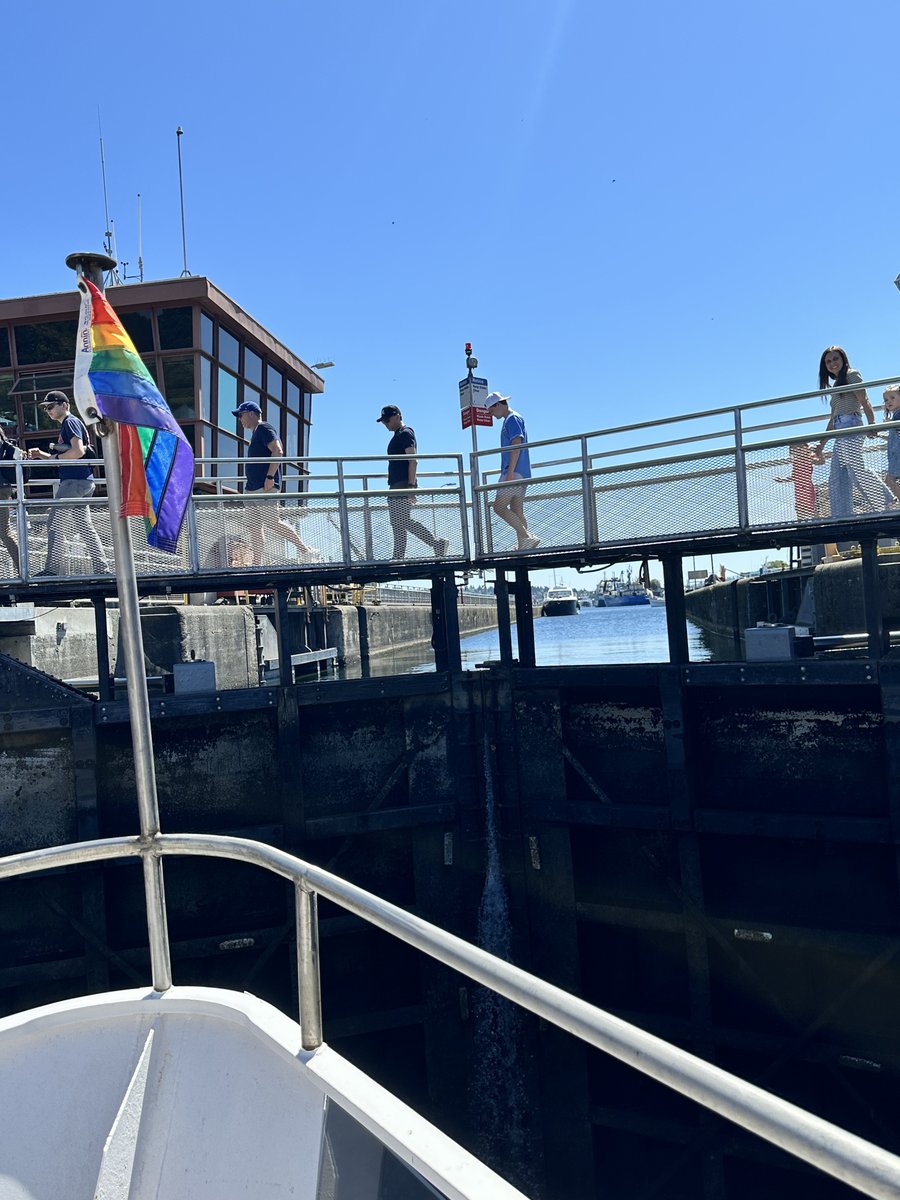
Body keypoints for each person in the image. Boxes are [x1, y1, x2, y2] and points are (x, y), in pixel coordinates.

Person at [28, 391, 109, 576]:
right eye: (45, 408)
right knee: (85, 527)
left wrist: (56, 457)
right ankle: (102, 568)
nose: (48, 410)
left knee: (54, 523)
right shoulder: (71, 422)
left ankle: (52, 570)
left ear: (64, 405)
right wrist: (41, 455)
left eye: (51, 406)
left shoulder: (70, 422)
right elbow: (69, 455)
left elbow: (78, 452)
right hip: (83, 481)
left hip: (73, 482)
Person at [233, 399, 317, 565]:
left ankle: (305, 551)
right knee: (255, 527)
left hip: (264, 487)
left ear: (251, 414)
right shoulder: (256, 433)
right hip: (251, 488)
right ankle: (256, 564)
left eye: (241, 415)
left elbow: (278, 451)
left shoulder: (264, 428)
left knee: (272, 522)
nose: (240, 419)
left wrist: (270, 477)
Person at [813, 347, 891, 518]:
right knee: (836, 475)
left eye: (835, 359)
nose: (832, 363)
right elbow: (833, 419)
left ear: (843, 359)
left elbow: (864, 400)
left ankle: (886, 501)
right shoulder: (835, 385)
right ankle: (842, 515)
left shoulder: (851, 375)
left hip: (851, 425)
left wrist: (871, 424)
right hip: (840, 430)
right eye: (828, 361)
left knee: (855, 468)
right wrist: (821, 444)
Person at [376, 405, 448, 560]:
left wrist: (410, 487)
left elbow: (413, 460)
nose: (385, 424)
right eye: (383, 421)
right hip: (396, 484)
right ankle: (399, 556)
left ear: (397, 416)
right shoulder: (398, 435)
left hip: (402, 484)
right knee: (398, 522)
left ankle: (436, 543)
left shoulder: (406, 433)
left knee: (401, 520)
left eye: (387, 420)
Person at [485, 392, 540, 550]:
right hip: (521, 472)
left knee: (499, 507)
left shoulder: (512, 419)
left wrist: (510, 472)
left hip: (513, 472)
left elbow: (517, 444)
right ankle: (524, 545)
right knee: (517, 510)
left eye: (491, 410)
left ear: (497, 405)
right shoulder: (514, 418)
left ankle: (527, 537)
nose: (491, 415)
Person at [0, 422, 23, 573]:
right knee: (4, 530)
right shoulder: (3, 441)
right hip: (3, 487)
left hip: (1, 489)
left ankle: (22, 568)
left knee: (4, 531)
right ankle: (23, 568)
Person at [774, 443, 817, 520]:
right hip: (798, 491)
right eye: (794, 449)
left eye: (800, 448)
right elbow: (794, 476)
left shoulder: (808, 458)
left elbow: (818, 459)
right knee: (799, 510)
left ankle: (819, 523)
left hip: (807, 488)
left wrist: (814, 450)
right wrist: (782, 479)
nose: (797, 450)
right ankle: (800, 525)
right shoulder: (796, 462)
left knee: (811, 508)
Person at [883, 385, 900, 504]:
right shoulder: (895, 416)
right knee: (889, 480)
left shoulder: (898, 415)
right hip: (895, 455)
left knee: (889, 480)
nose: (888, 402)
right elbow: (895, 437)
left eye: (892, 398)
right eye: (886, 400)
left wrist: (890, 424)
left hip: (898, 455)